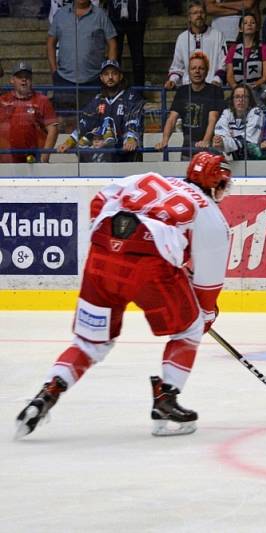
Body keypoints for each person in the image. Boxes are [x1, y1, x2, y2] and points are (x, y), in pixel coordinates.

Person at [14, 150, 233, 439]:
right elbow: (206, 293)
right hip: (149, 266)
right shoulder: (212, 218)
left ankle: (47, 392)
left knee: (90, 342)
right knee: (189, 328)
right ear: (215, 184)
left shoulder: (149, 178)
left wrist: (116, 245)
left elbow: (99, 201)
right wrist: (204, 316)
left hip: (102, 253)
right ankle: (166, 399)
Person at [56, 59, 144, 163]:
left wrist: (131, 139)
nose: (110, 77)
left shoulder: (131, 97)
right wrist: (70, 141)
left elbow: (133, 121)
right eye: (106, 74)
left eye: (114, 74)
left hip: (124, 154)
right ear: (101, 78)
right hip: (104, 153)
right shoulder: (97, 100)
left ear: (120, 76)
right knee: (83, 143)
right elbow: (85, 123)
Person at [47, 0, 118, 121]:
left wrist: (108, 72)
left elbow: (112, 43)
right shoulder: (60, 15)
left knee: (96, 121)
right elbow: (50, 43)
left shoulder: (100, 15)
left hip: (93, 80)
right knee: (68, 122)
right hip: (65, 80)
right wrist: (54, 71)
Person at [156, 51, 226, 160]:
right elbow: (172, 119)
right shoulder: (182, 91)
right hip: (187, 150)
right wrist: (165, 141)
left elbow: (213, 119)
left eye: (201, 68)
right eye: (193, 68)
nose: (197, 71)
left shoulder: (215, 90)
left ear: (207, 72)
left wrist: (206, 141)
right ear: (188, 71)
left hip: (210, 150)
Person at [0, 62, 59, 163]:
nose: (24, 79)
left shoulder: (42, 100)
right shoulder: (2, 100)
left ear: (31, 80)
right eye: (19, 77)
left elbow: (53, 129)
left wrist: (45, 155)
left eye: (27, 77)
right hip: (6, 160)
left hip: (34, 160)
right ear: (12, 80)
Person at [165, 1, 227, 89]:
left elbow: (223, 63)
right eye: (195, 13)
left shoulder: (217, 35)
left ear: (206, 15)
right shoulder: (182, 38)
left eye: (201, 12)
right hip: (188, 88)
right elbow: (177, 66)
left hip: (212, 86)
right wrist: (172, 80)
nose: (199, 15)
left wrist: (217, 80)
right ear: (189, 17)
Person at [225, 11, 266, 103]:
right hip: (237, 91)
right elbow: (229, 76)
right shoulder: (233, 49)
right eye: (245, 23)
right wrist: (237, 89)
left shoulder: (264, 48)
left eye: (252, 22)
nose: (249, 24)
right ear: (240, 29)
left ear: (257, 28)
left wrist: (253, 86)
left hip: (257, 91)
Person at [213, 83, 265, 159]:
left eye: (244, 97)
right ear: (232, 100)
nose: (240, 100)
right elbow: (221, 136)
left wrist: (225, 143)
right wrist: (220, 142)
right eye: (237, 97)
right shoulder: (226, 113)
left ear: (250, 100)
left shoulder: (257, 112)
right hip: (231, 159)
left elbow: (250, 140)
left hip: (252, 159)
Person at [108, 0, 148, 90]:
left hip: (136, 17)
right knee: (115, 55)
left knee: (137, 57)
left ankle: (139, 90)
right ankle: (113, 88)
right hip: (115, 16)